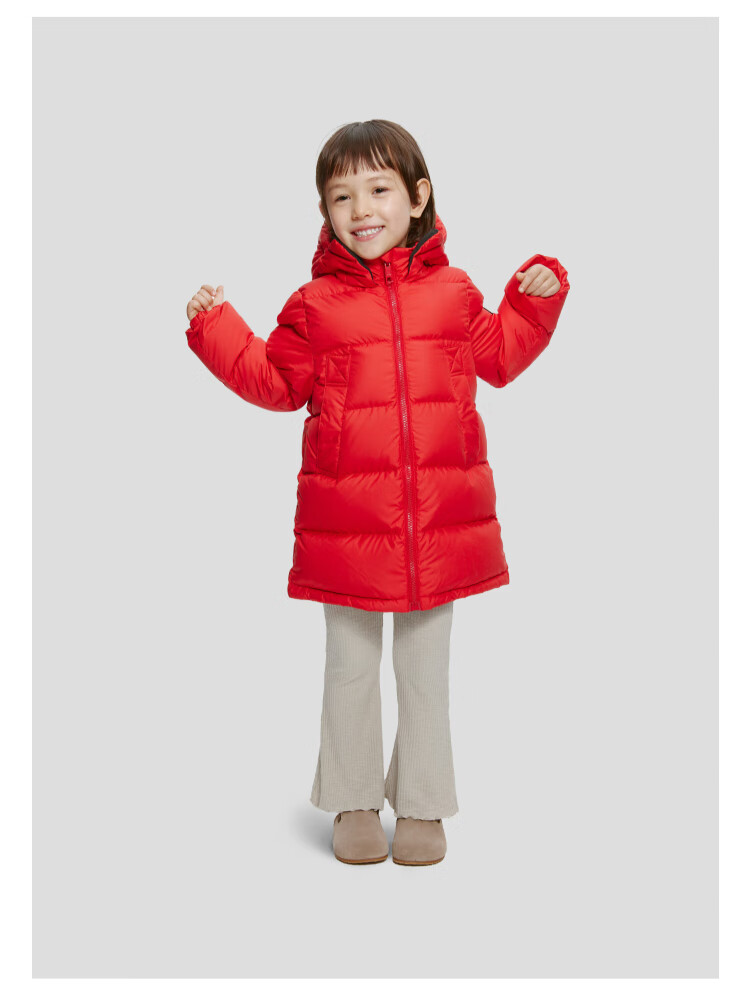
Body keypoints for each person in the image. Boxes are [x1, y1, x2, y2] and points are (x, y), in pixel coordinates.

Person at [184, 119, 570, 867]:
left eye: (379, 189)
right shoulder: (315, 304)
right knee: (349, 669)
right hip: (348, 524)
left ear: (418, 196)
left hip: (439, 524)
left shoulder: (455, 293)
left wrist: (535, 301)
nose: (361, 209)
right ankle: (353, 800)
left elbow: (500, 357)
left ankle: (423, 802)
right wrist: (216, 328)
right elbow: (275, 383)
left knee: (426, 673)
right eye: (341, 196)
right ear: (324, 212)